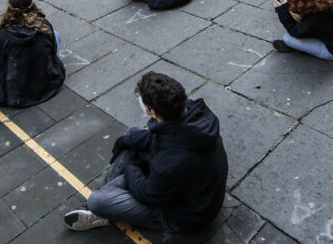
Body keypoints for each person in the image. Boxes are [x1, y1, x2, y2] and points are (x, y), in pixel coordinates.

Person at [64, 71, 227, 232]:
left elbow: (147, 193)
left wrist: (130, 168)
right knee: (132, 138)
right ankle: (110, 200)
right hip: (184, 183)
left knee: (97, 201)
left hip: (185, 215)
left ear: (153, 112)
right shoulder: (191, 111)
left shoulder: (170, 162)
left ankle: (102, 211)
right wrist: (126, 140)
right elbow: (158, 138)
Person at [0, 0, 65, 108]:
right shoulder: (44, 24)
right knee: (54, 34)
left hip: (19, 92)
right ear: (33, 4)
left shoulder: (5, 34)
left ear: (10, 9)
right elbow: (53, 50)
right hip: (48, 82)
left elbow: (0, 64)